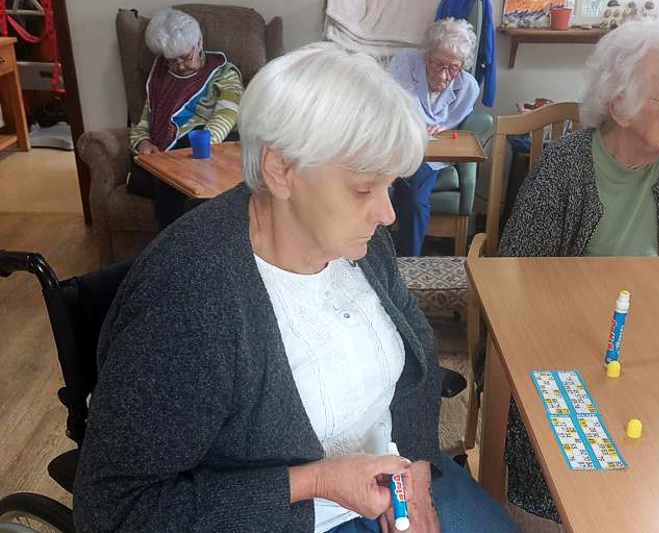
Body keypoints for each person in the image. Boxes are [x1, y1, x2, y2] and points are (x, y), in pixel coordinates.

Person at [73, 42, 520, 533]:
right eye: (365, 188)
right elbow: (115, 511)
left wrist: (416, 473)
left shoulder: (359, 243)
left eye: (390, 186)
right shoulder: (190, 301)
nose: (388, 214)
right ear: (280, 169)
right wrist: (316, 480)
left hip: (392, 486)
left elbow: (416, 357)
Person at [497, 18, 659, 524]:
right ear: (621, 107)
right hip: (566, 335)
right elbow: (516, 274)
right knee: (564, 449)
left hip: (652, 323)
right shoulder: (567, 168)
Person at [126, 8, 244, 229]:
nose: (180, 65)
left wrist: (199, 146)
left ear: (199, 43)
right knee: (166, 179)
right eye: (172, 61)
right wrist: (143, 143)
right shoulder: (160, 78)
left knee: (177, 176)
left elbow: (227, 115)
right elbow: (143, 123)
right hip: (165, 158)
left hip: (207, 150)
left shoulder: (223, 73)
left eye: (185, 57)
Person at [388, 18, 479, 256]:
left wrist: (443, 129)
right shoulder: (404, 63)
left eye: (453, 67)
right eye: (437, 64)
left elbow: (451, 125)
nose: (445, 74)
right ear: (426, 54)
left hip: (428, 154)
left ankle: (411, 260)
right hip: (393, 144)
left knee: (416, 196)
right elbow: (389, 104)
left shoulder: (468, 87)